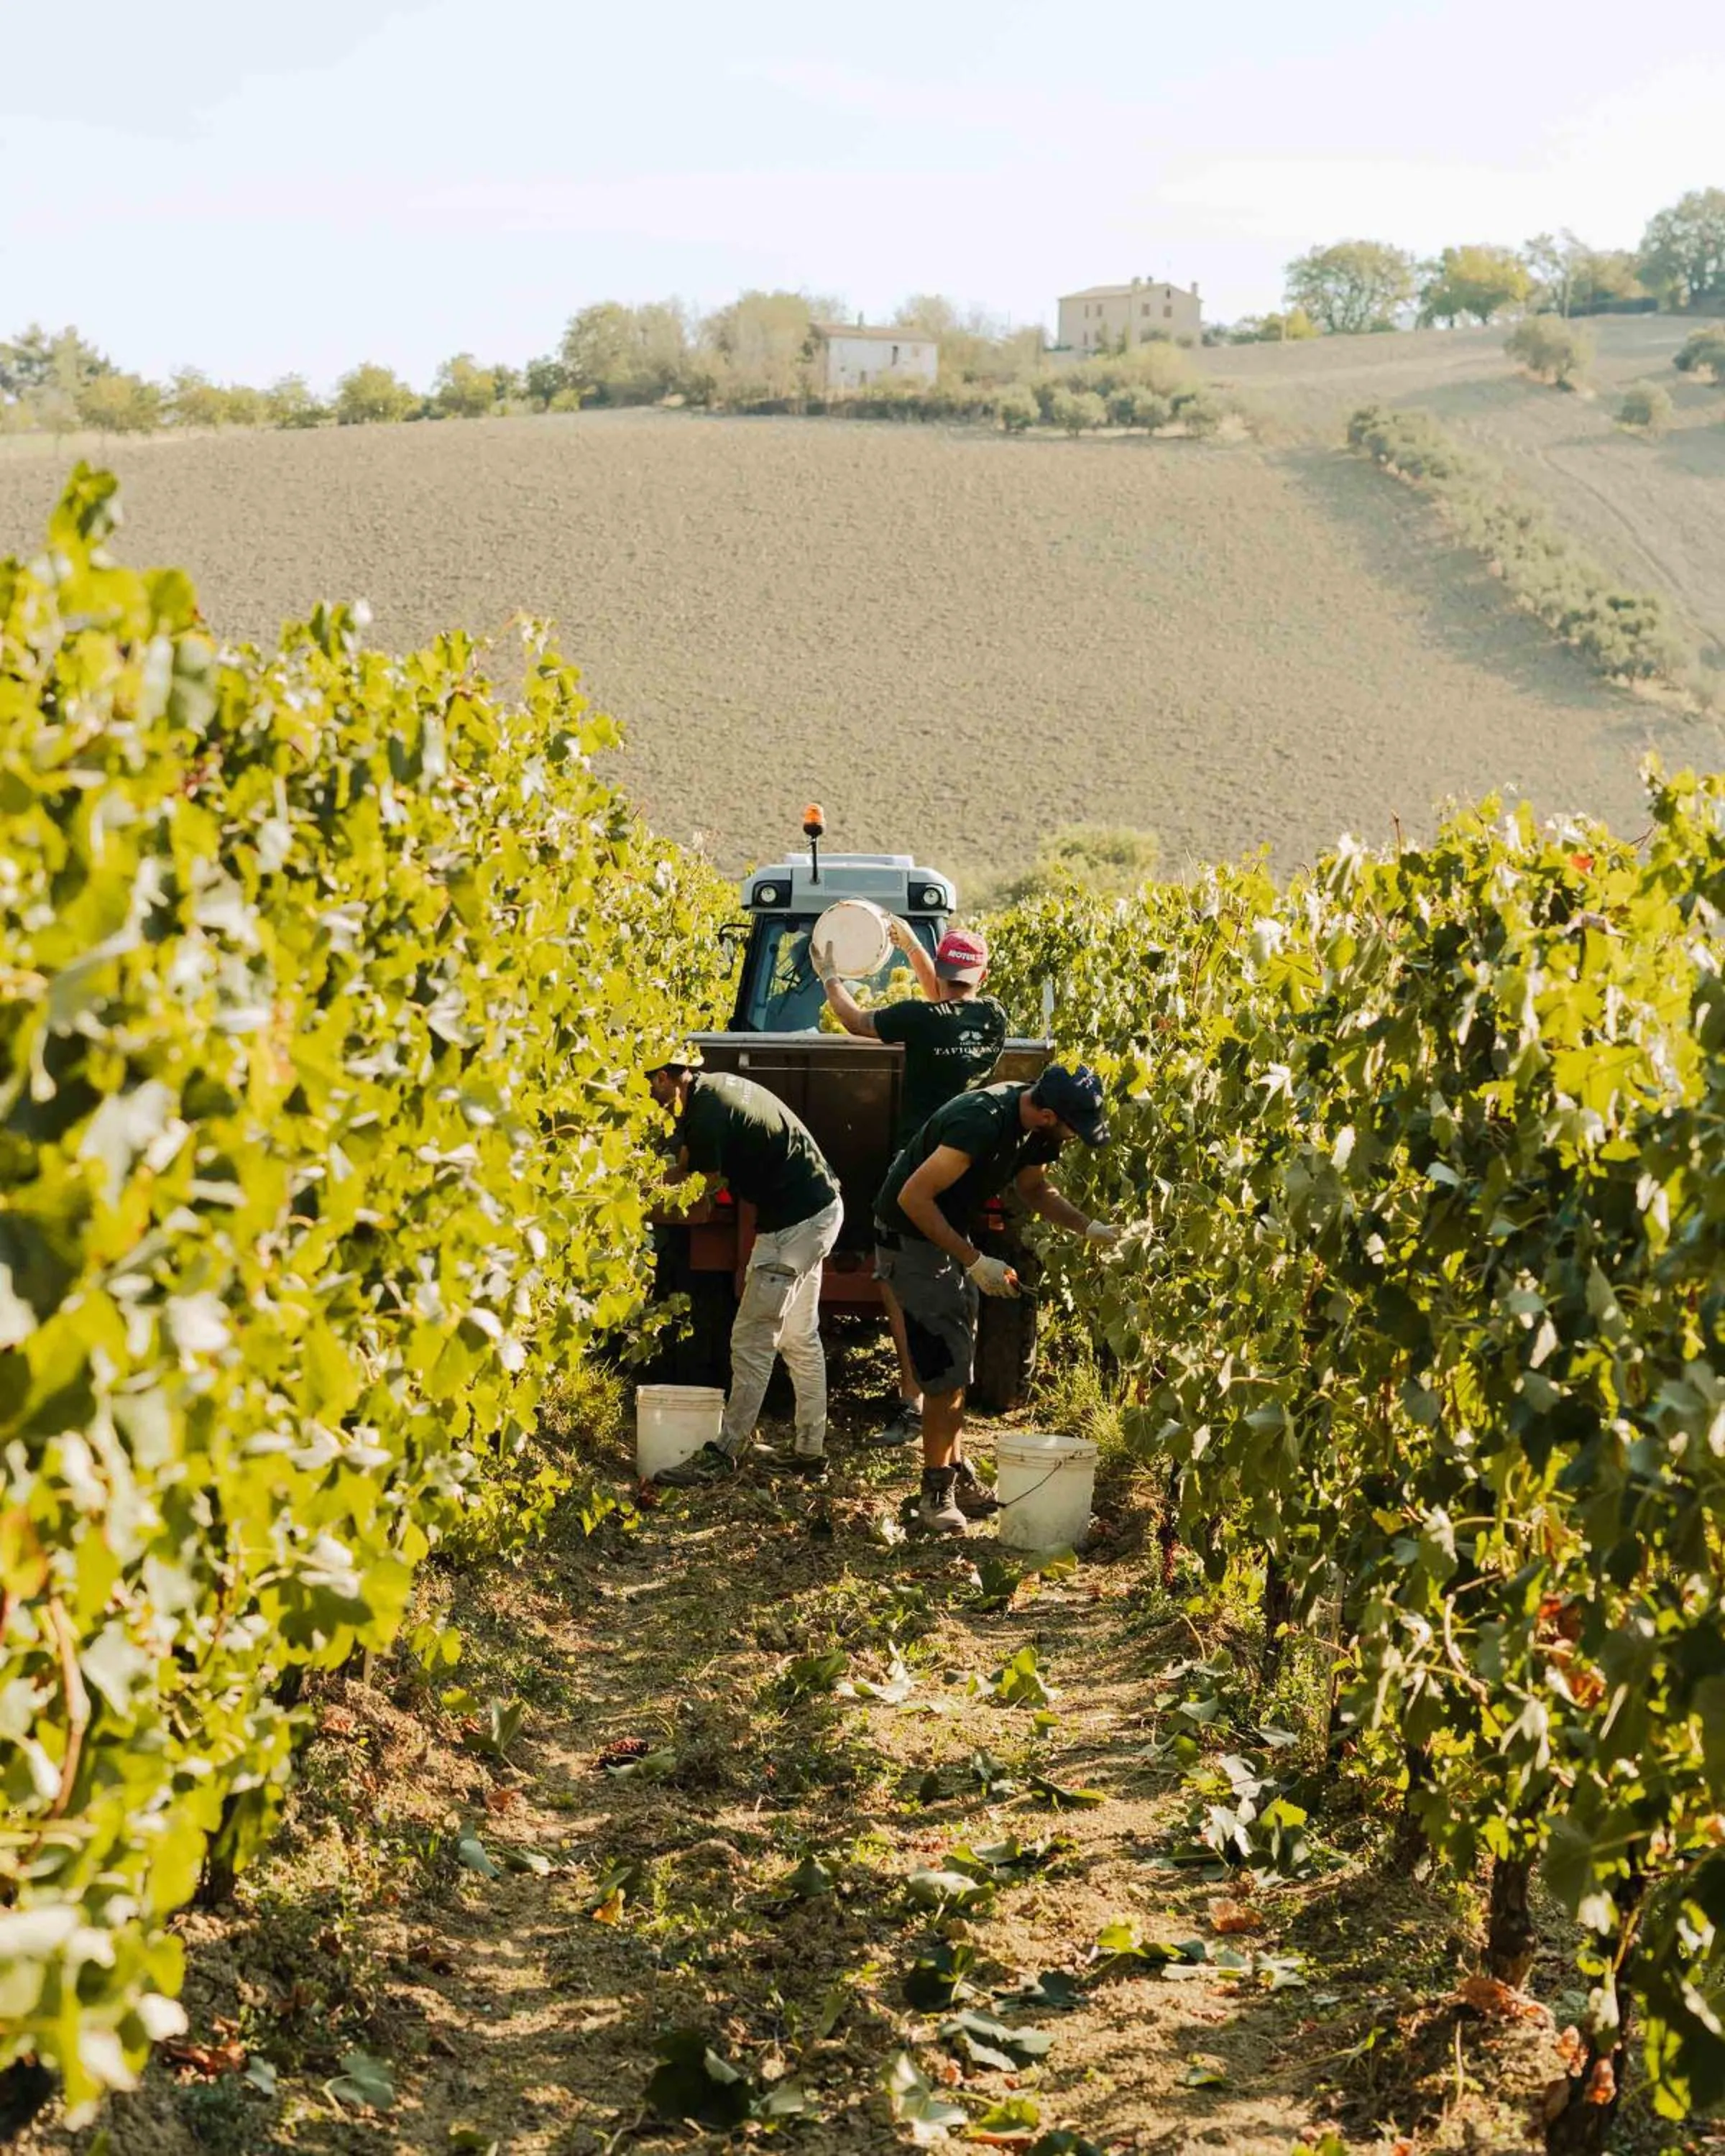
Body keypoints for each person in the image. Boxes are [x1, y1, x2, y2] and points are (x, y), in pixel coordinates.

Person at [873, 1064, 1119, 1534]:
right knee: (944, 1368)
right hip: (912, 1238)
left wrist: (1088, 1227)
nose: (1074, 1138)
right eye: (1074, 1129)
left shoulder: (1040, 1129)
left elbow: (1034, 1189)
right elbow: (913, 1198)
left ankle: (956, 1472)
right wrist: (972, 1259)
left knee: (958, 1358)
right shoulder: (981, 1120)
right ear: (1048, 1114)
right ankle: (934, 1497)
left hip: (947, 1235)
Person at [820, 920, 1008, 1475]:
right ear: (982, 975)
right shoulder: (991, 1019)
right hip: (967, 1167)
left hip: (915, 1168)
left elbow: (854, 1021)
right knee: (953, 1275)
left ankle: (913, 1400)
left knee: (901, 1282)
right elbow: (944, 1004)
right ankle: (948, 1401)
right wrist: (913, 945)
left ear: (942, 974)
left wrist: (830, 976)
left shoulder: (916, 1020)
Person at [647, 1056, 842, 1485]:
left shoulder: (707, 1115)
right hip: (814, 1211)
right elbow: (685, 1163)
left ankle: (726, 1452)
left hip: (799, 1226)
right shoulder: (713, 1090)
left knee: (752, 1336)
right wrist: (650, 1179)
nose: (651, 1102)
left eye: (650, 1089)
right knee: (798, 1337)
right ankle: (810, 1452)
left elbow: (699, 1203)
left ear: (664, 1078)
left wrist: (640, 1210)